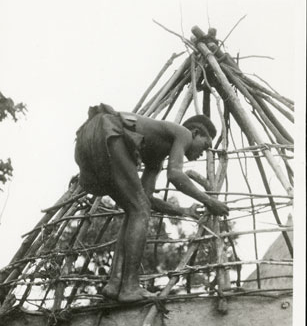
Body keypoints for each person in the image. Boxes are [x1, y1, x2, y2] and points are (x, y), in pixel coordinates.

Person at [75, 103, 229, 302]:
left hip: (88, 137)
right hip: (108, 129)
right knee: (138, 210)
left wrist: (182, 211)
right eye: (205, 145)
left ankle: (115, 284)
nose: (202, 153)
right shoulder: (183, 133)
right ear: (195, 132)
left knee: (134, 210)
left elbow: (144, 199)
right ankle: (130, 287)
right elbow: (175, 174)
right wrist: (209, 201)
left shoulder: (155, 159)